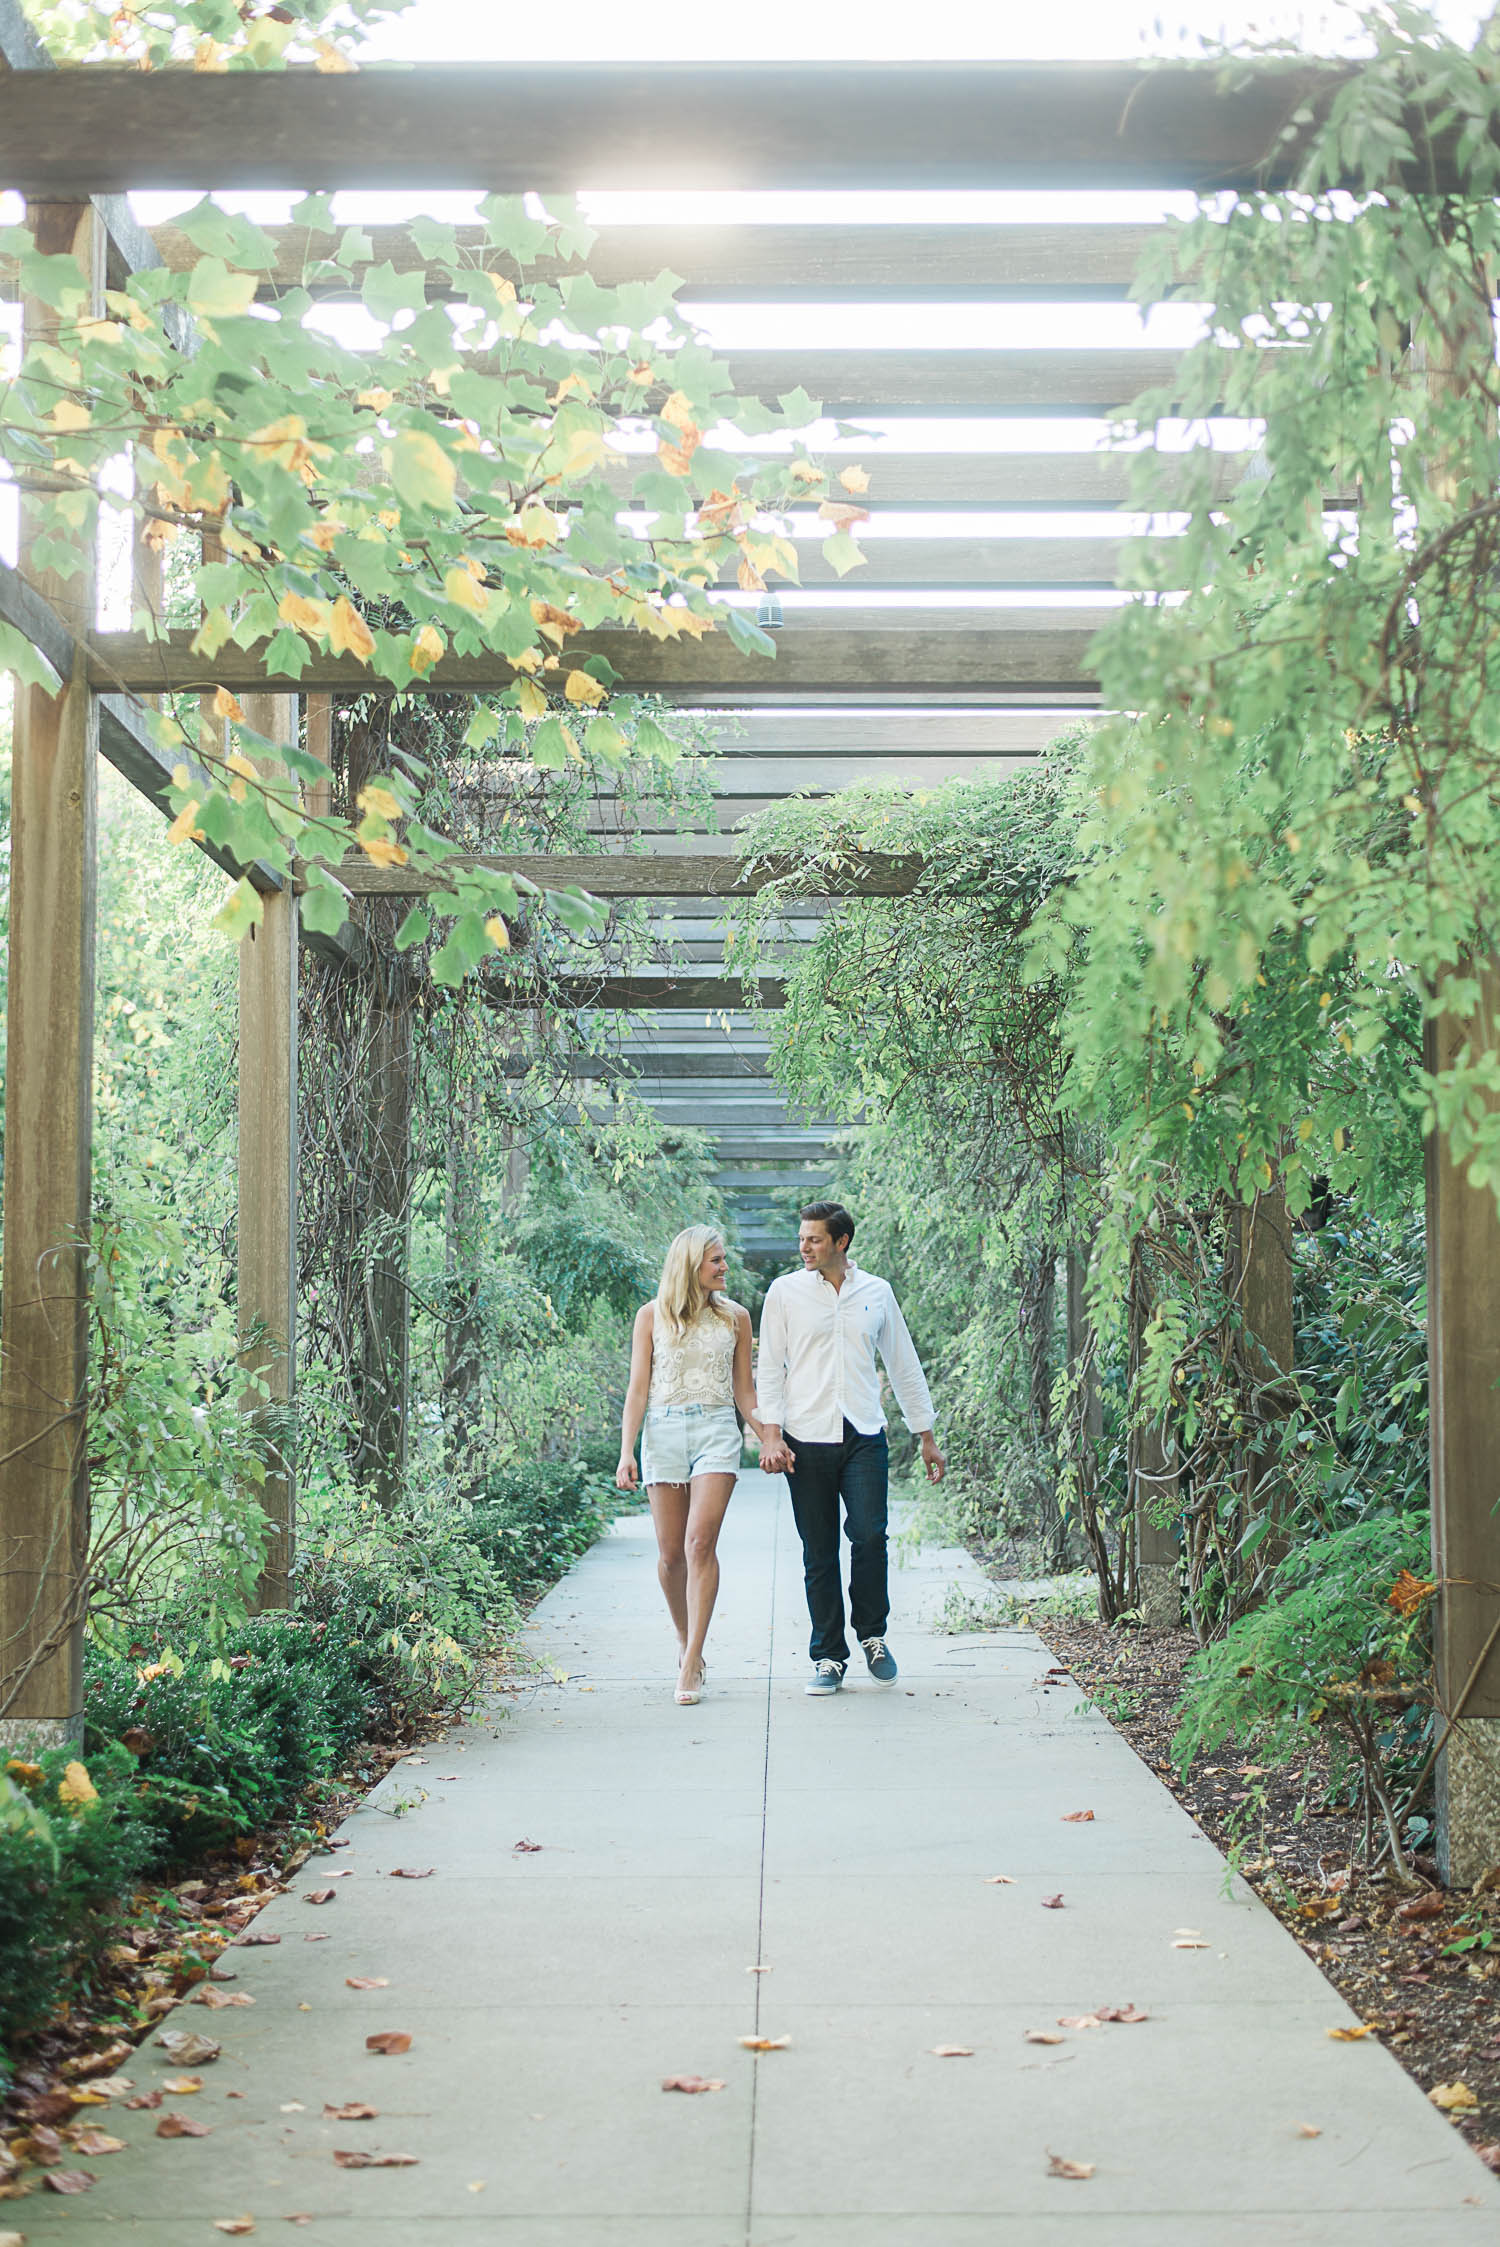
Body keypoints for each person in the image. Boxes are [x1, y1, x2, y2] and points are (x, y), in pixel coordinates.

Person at [757, 1201, 945, 1696]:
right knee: (819, 1552)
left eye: (814, 1239)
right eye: (802, 1238)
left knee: (869, 1537)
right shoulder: (784, 1293)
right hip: (804, 1438)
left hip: (863, 1434)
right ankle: (828, 1657)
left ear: (842, 1242)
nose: (804, 1247)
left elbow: (904, 1365)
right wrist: (770, 1434)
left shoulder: (876, 1292)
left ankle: (873, 1636)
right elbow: (769, 1368)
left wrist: (925, 1435)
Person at [617, 1226, 765, 1705]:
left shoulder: (737, 1318)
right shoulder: (650, 1316)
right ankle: (685, 1640)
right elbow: (638, 1389)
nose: (725, 1267)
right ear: (690, 1266)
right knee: (670, 1555)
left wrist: (771, 1439)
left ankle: (692, 1660)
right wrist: (627, 1451)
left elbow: (746, 1392)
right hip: (662, 1433)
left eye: (723, 1259)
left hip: (717, 1431)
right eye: (716, 1261)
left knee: (700, 1542)